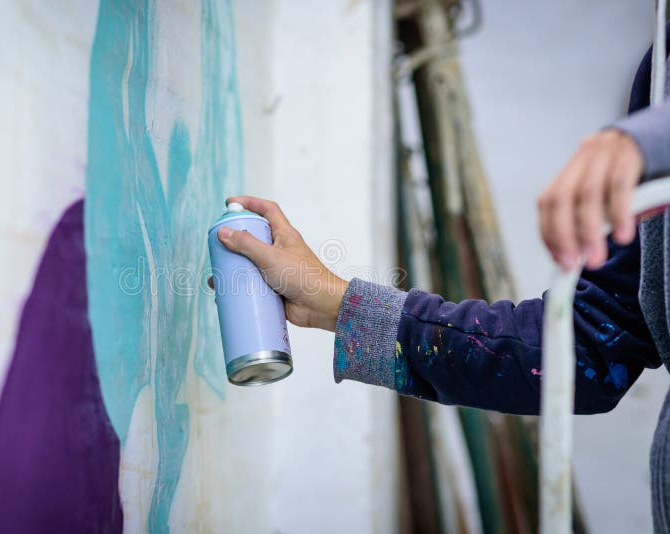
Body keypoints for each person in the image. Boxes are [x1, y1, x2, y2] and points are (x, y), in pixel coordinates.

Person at [215, 23, 670, 532]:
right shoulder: (661, 70)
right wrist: (335, 304)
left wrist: (648, 140)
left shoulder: (649, 128)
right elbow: (586, 351)